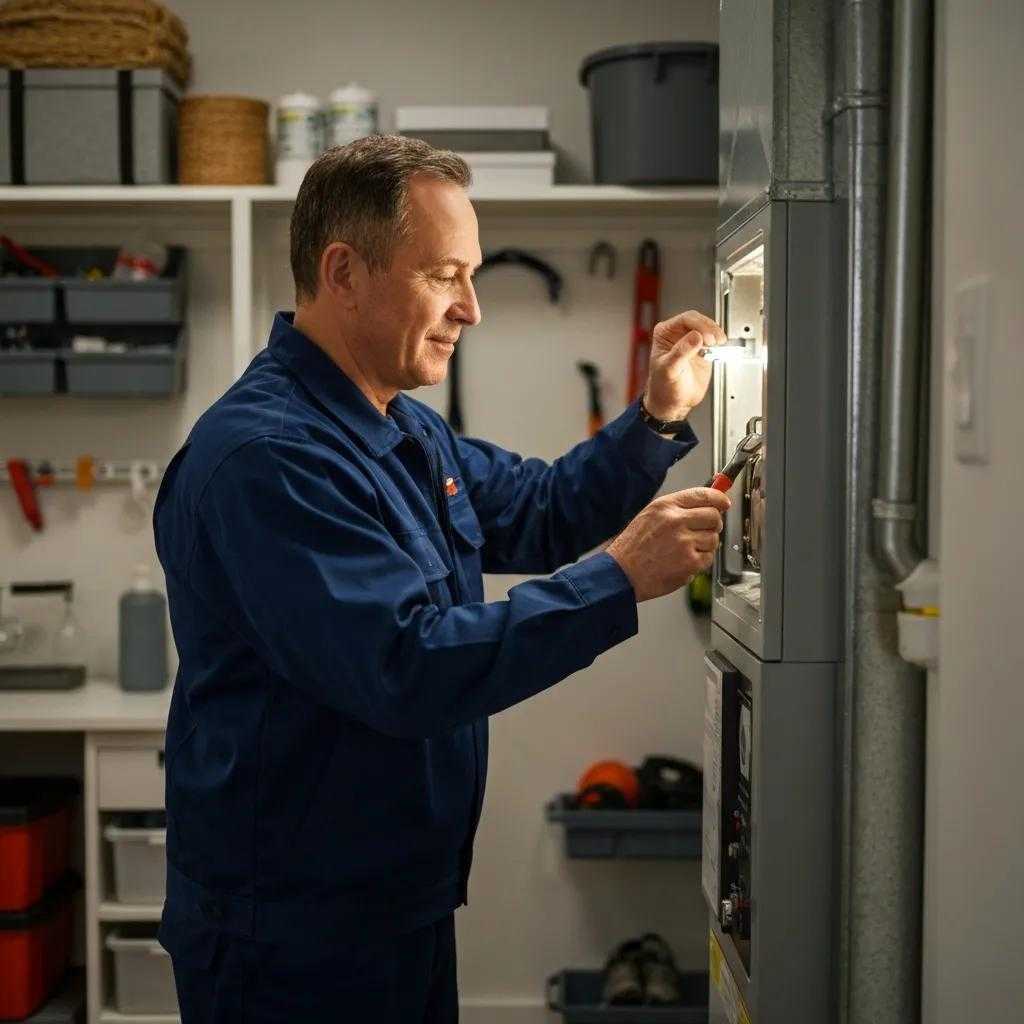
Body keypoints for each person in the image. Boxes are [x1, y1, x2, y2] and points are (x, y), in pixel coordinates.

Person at [153, 134, 729, 1023]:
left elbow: (541, 507)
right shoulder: (268, 458)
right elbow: (407, 665)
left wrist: (657, 415)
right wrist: (618, 578)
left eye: (473, 276)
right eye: (444, 275)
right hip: (291, 938)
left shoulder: (401, 427)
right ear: (344, 272)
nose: (472, 308)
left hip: (394, 903)